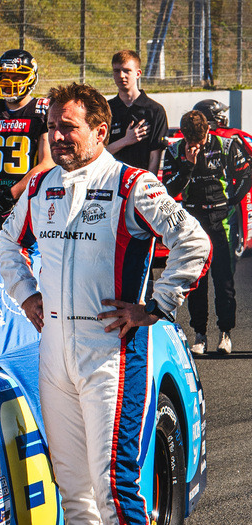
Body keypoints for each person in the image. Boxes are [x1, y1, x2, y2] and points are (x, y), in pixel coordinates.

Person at [0, 83, 210, 525]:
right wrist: (26, 295)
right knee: (71, 481)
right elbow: (6, 244)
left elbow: (194, 242)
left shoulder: (132, 184)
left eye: (67, 126)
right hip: (54, 351)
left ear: (99, 129)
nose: (56, 136)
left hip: (112, 353)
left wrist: (155, 306)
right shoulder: (40, 186)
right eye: (51, 126)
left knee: (112, 479)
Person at [161, 110, 252, 356]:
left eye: (200, 141)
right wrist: (188, 166)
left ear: (208, 131)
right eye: (192, 142)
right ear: (184, 136)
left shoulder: (226, 146)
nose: (197, 146)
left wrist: (232, 200)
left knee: (224, 280)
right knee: (196, 281)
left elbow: (246, 173)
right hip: (193, 222)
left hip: (222, 220)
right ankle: (199, 335)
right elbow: (169, 189)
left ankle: (225, 333)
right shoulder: (174, 151)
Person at [0, 49, 53, 240]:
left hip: (28, 203)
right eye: (5, 76)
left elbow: (47, 162)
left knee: (26, 256)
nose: (9, 82)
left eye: (16, 77)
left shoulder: (42, 111)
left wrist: (11, 194)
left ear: (31, 78)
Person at [189, 99, 252, 258]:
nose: (223, 117)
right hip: (229, 196)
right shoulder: (231, 135)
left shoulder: (186, 139)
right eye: (219, 114)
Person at [106, 49, 168, 174]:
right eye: (117, 71)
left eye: (127, 71)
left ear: (138, 73)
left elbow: (155, 156)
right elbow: (98, 154)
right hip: (110, 180)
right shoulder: (105, 109)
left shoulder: (155, 111)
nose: (121, 75)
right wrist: (126, 140)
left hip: (140, 180)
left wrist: (148, 183)